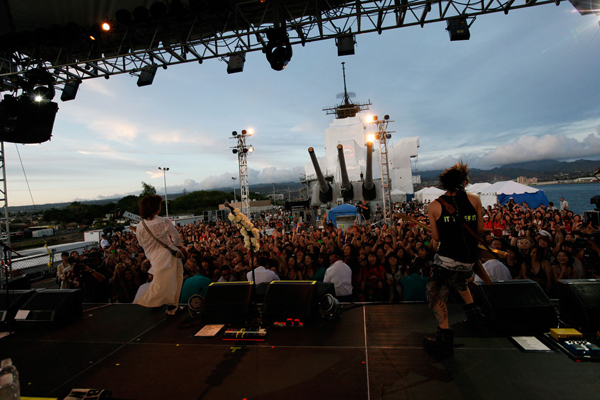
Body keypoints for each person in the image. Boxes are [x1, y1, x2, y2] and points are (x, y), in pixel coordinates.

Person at [424, 161, 485, 357]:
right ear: (464, 183)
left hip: (447, 259)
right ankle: (476, 318)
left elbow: (436, 237)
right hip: (468, 260)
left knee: (436, 295)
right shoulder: (475, 200)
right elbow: (480, 230)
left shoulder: (435, 205)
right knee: (460, 282)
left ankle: (444, 338)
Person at [134, 195, 184, 316]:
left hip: (154, 257)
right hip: (169, 255)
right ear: (155, 207)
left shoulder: (140, 226)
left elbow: (141, 243)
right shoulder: (164, 221)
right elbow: (176, 237)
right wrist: (175, 245)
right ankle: (170, 306)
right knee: (176, 280)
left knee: (160, 282)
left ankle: (163, 304)